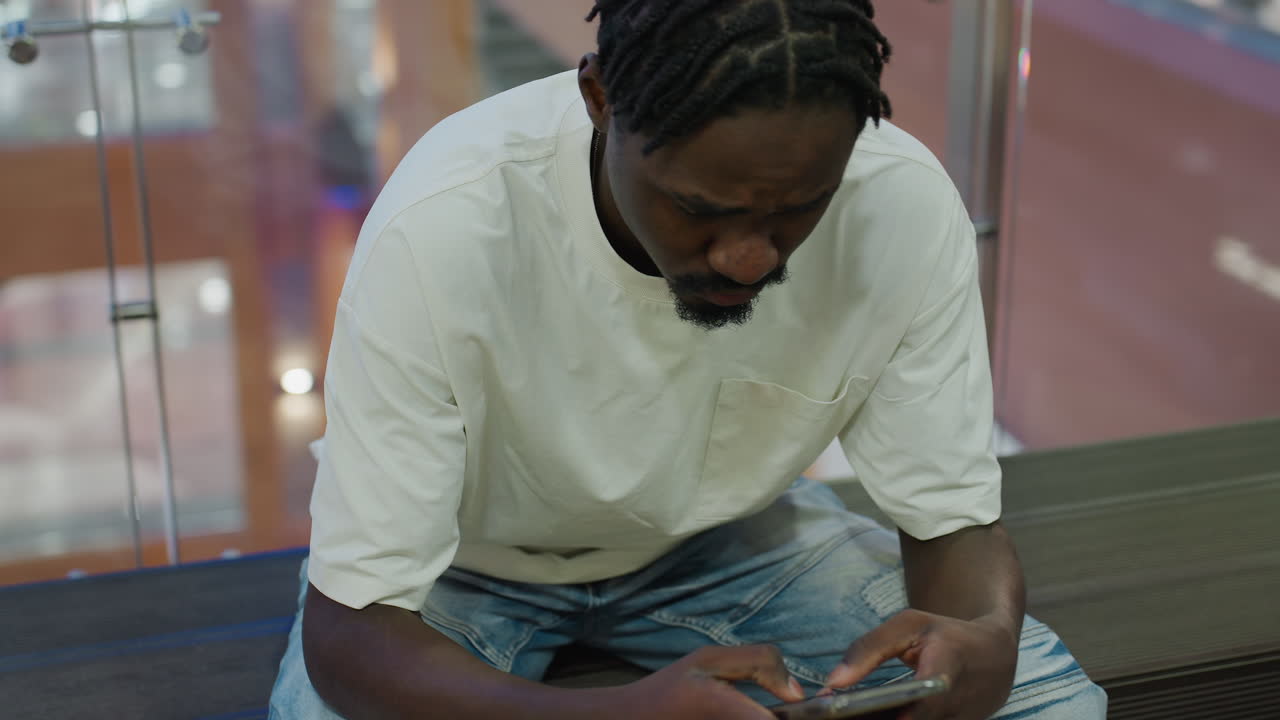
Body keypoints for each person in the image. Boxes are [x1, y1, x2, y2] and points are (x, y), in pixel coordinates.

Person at [269, 1, 1107, 718]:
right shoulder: (447, 222)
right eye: (698, 210)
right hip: (458, 561)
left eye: (798, 209)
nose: (748, 257)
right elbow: (352, 631)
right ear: (599, 99)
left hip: (731, 543)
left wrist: (983, 639)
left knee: (1051, 702)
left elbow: (952, 522)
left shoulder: (901, 207)